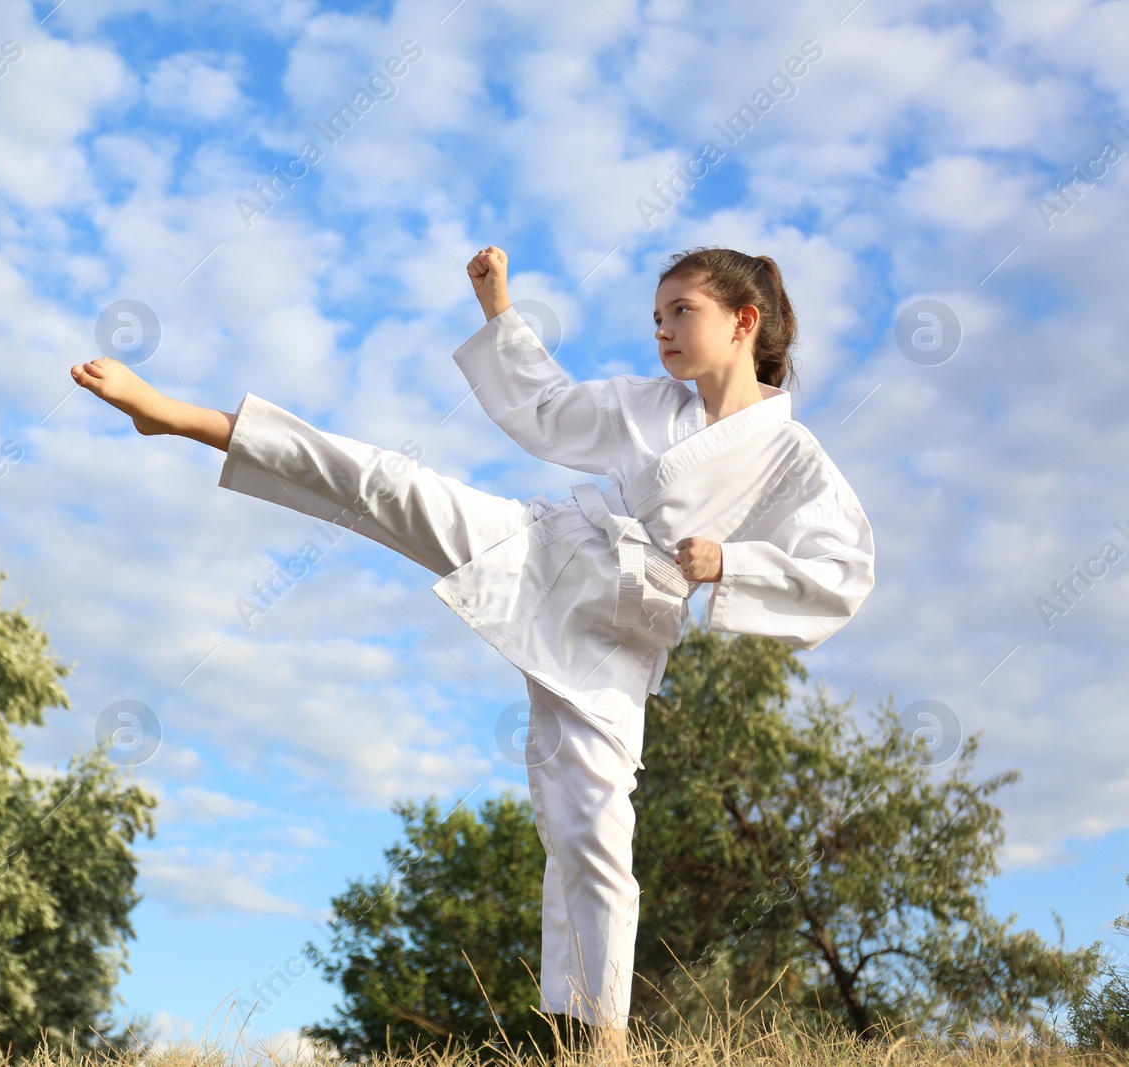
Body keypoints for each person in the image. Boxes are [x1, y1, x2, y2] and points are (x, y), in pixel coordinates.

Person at [69, 244, 875, 1057]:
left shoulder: (791, 457)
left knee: (595, 834)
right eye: (657, 316)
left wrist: (731, 561)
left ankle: (605, 1041)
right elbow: (550, 408)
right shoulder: (647, 403)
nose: (662, 330)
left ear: (745, 321)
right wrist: (499, 310)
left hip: (616, 634)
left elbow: (844, 569)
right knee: (389, 483)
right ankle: (182, 417)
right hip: (545, 546)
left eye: (681, 312)